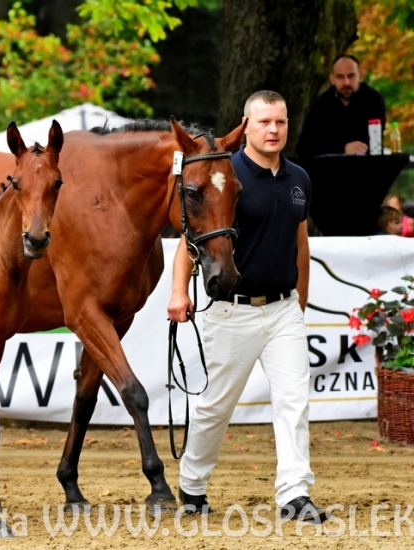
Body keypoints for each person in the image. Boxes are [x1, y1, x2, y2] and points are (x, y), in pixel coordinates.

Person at [168, 90, 327, 523]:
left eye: (279, 121)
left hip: (282, 311)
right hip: (231, 309)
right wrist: (178, 292)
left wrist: (300, 300)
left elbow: (300, 241)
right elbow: (190, 238)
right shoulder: (224, 171)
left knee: (294, 400)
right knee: (215, 407)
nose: (273, 129)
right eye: (264, 122)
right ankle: (193, 483)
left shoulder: (299, 179)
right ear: (246, 125)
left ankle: (294, 493)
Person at [296, 55, 386, 157]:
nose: (346, 82)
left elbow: (374, 143)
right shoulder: (321, 104)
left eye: (351, 76)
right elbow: (305, 147)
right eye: (340, 77)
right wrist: (344, 148)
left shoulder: (373, 100)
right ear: (332, 79)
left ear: (360, 76)